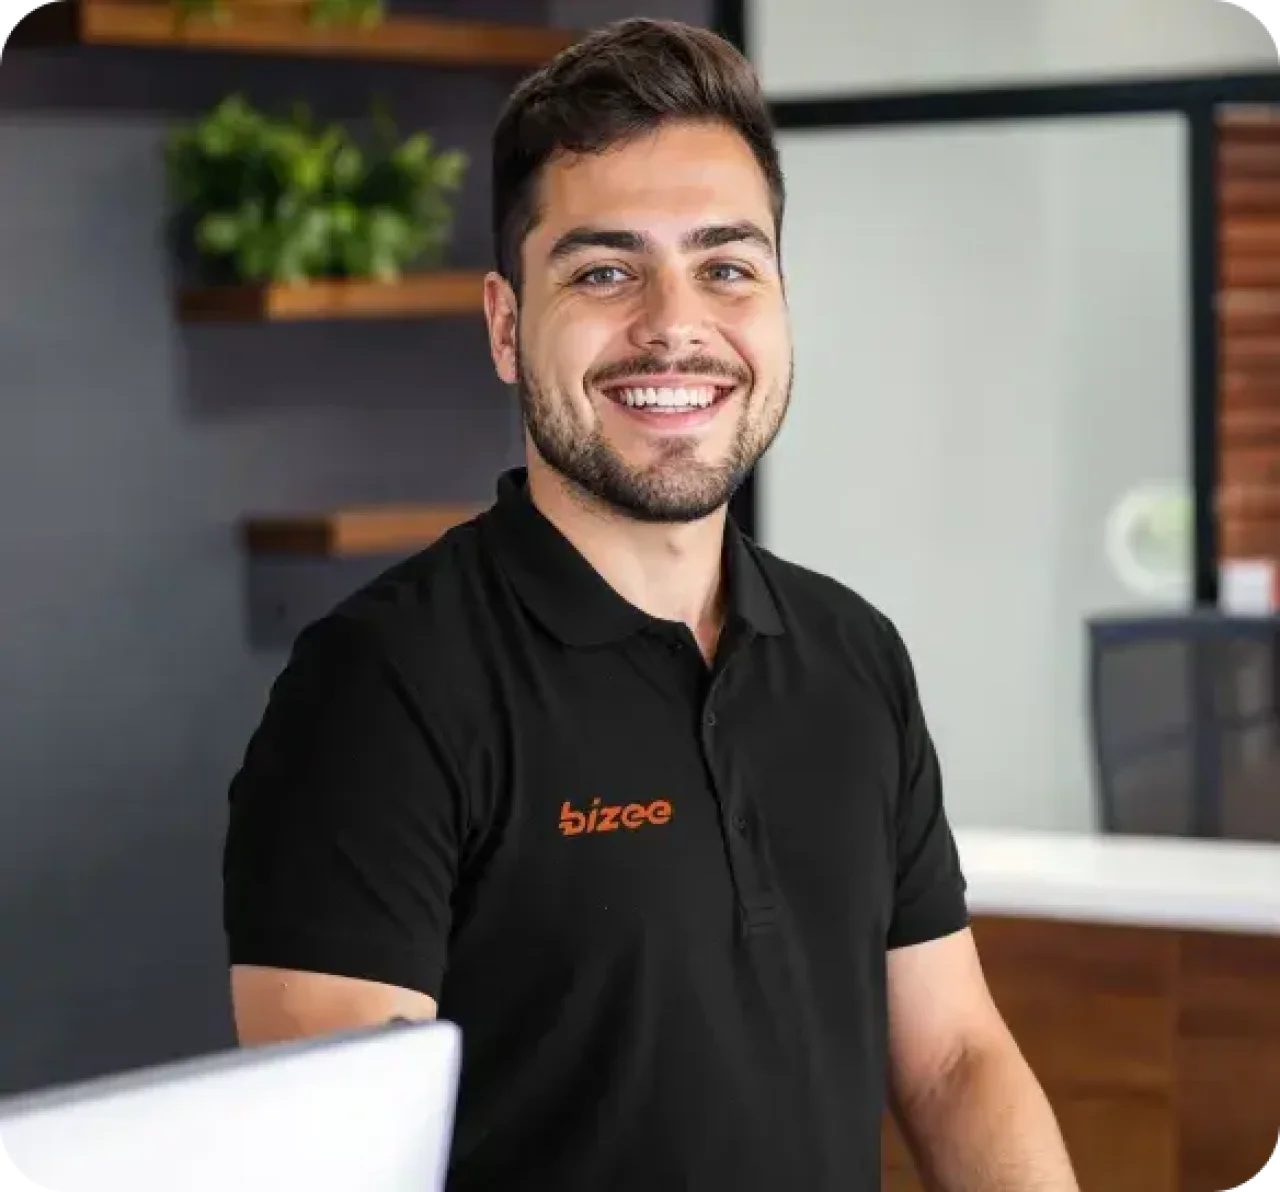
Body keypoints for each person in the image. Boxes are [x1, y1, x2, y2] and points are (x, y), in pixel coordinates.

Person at [222, 18, 1079, 1192]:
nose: (674, 324)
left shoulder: (851, 657)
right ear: (505, 326)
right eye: (604, 270)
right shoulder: (380, 686)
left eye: (726, 265)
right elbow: (333, 1165)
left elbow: (951, 1063)